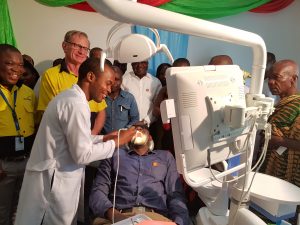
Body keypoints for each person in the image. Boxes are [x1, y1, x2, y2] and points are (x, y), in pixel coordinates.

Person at [14, 58, 136, 225]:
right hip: (52, 185)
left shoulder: (73, 99)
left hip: (60, 181)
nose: (109, 89)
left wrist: (105, 138)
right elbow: (82, 154)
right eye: (107, 83)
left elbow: (77, 140)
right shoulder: (75, 104)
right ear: (91, 77)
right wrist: (116, 143)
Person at [89, 123, 189, 225]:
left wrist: (179, 222)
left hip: (156, 219)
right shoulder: (114, 155)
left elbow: (175, 195)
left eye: (143, 129)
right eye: (134, 129)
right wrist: (115, 215)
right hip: (118, 217)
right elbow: (98, 191)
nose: (138, 130)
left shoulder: (165, 157)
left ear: (150, 137)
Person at [37, 30, 106, 135]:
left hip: (91, 137)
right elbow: (47, 113)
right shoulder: (50, 75)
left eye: (85, 48)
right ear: (64, 46)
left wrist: (92, 135)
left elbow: (101, 111)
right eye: (77, 46)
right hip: (64, 135)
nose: (81, 52)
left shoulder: (94, 75)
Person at [260, 59, 300, 224]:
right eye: (269, 78)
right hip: (270, 170)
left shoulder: (297, 105)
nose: (271, 82)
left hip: (289, 178)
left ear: (293, 79)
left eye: (276, 77)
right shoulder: (278, 106)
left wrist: (274, 138)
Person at [0, 44, 36, 225]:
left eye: (20, 64)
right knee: (2, 212)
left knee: (21, 210)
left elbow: (36, 126)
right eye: (9, 63)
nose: (16, 69)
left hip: (27, 162)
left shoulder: (27, 92)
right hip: (3, 167)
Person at [121, 61, 162, 126]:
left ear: (147, 64)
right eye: (136, 63)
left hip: (150, 126)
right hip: (128, 125)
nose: (139, 65)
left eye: (143, 62)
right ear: (132, 64)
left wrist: (145, 121)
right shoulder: (124, 80)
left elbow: (157, 105)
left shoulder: (155, 82)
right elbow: (120, 103)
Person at [102, 66, 139, 134]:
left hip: (123, 141)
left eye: (117, 79)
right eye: (111, 79)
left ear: (121, 80)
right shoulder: (101, 97)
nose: (113, 82)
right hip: (103, 140)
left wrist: (124, 131)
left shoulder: (129, 98)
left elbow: (135, 119)